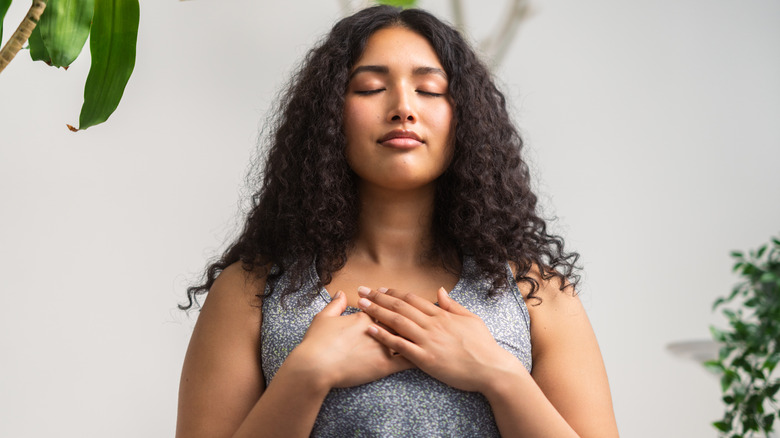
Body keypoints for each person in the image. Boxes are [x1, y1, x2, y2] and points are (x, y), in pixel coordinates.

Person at [176, 5, 619, 438]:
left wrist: (499, 374)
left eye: (429, 90)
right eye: (370, 88)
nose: (403, 107)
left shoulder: (537, 295)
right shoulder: (249, 291)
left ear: (466, 117)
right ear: (328, 116)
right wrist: (306, 375)